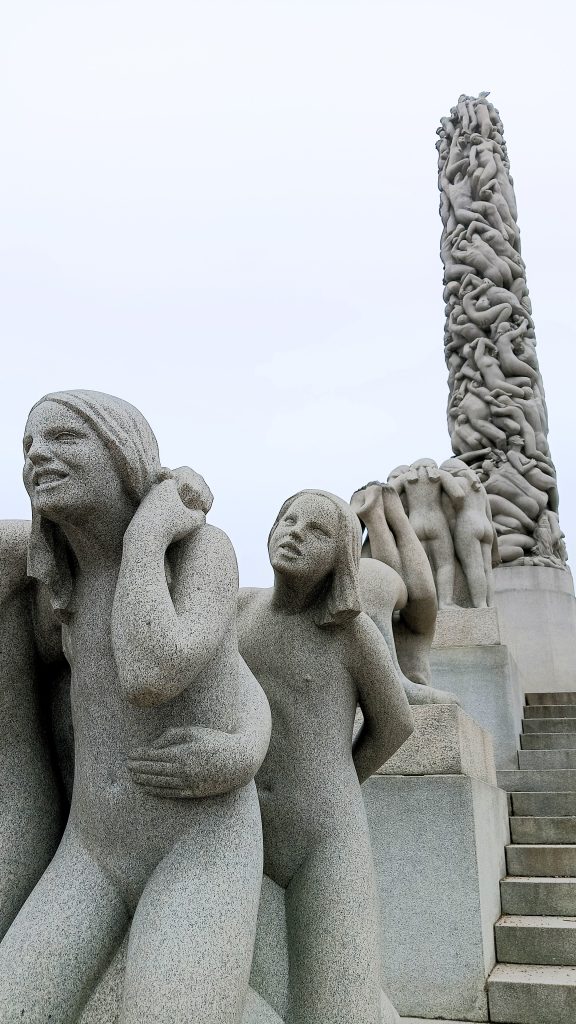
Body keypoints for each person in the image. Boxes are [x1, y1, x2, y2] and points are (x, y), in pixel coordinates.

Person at [0, 390, 270, 1024]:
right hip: (90, 847)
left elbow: (152, 671)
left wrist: (147, 538)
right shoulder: (59, 582)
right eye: (28, 445)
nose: (39, 454)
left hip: (200, 842)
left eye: (64, 438)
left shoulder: (201, 554)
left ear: (121, 453)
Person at [238, 490, 413, 1024]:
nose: (292, 531)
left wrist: (339, 781)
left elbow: (396, 724)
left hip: (327, 835)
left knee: (341, 1000)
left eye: (313, 530)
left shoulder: (351, 632)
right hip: (243, 827)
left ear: (340, 556)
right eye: (286, 519)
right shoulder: (239, 611)